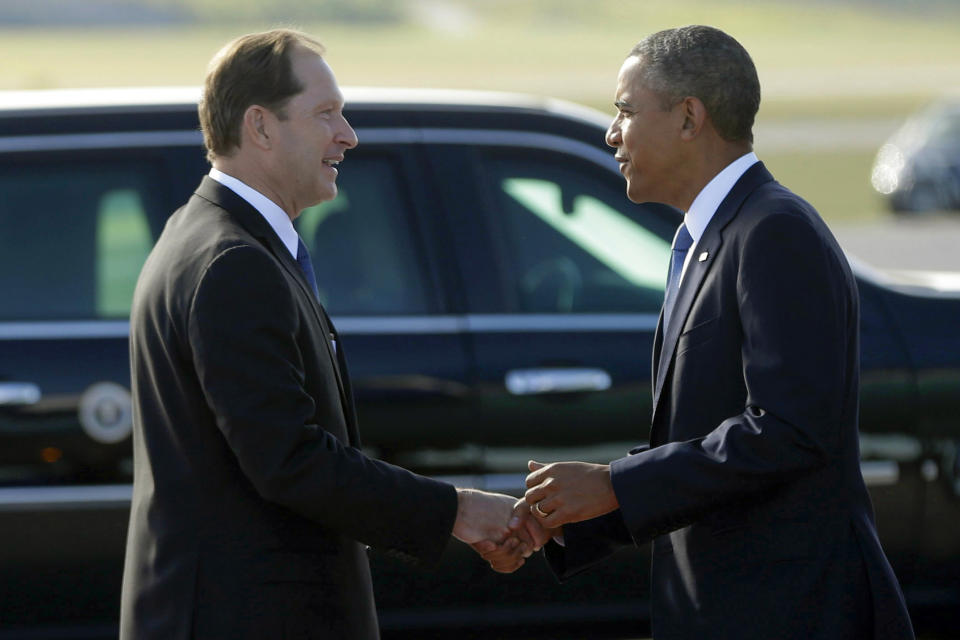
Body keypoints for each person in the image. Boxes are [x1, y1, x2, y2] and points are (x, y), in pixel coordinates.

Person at [485, 25, 916, 639]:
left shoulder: (773, 231)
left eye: (626, 111)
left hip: (790, 613)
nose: (612, 133)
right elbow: (705, 441)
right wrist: (576, 515)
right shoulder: (703, 239)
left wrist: (613, 485)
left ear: (690, 117)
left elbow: (789, 431)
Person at [119, 29, 543, 639]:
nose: (348, 135)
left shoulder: (214, 239)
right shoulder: (232, 263)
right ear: (260, 127)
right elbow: (289, 460)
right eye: (327, 115)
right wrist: (457, 511)